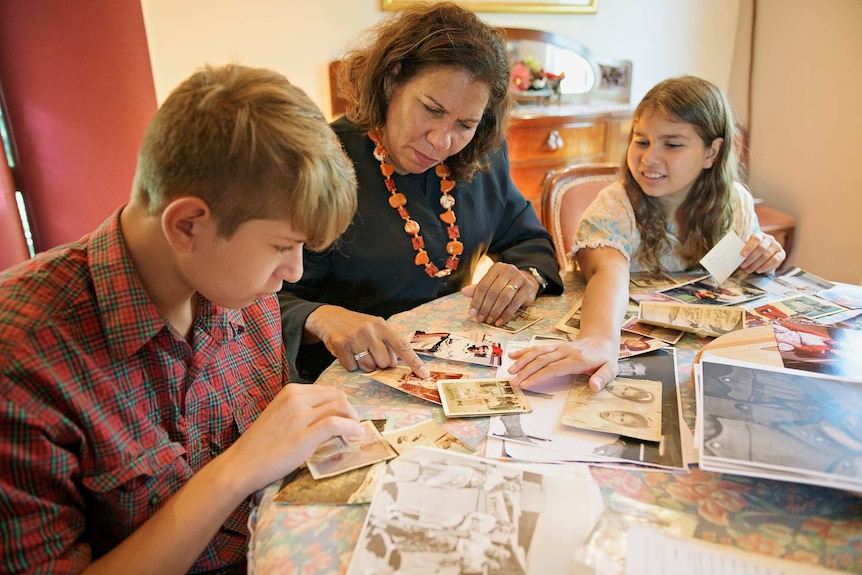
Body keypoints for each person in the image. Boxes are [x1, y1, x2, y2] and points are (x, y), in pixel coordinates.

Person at [0, 64, 363, 574]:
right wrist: (234, 472)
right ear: (187, 224)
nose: (294, 271)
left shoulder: (239, 288)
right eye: (283, 246)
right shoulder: (21, 358)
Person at [278, 2, 563, 382]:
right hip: (347, 376)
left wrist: (526, 278)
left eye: (465, 123)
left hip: (451, 370)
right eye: (431, 109)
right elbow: (259, 302)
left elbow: (528, 240)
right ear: (392, 81)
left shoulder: (480, 156)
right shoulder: (322, 162)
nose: (442, 140)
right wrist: (321, 318)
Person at [508, 75, 786, 391]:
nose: (649, 158)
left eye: (672, 144)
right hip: (627, 346)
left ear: (712, 152)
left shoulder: (737, 204)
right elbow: (608, 270)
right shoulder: (616, 205)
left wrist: (766, 255)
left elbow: (741, 273)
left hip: (707, 358)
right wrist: (598, 340)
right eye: (641, 141)